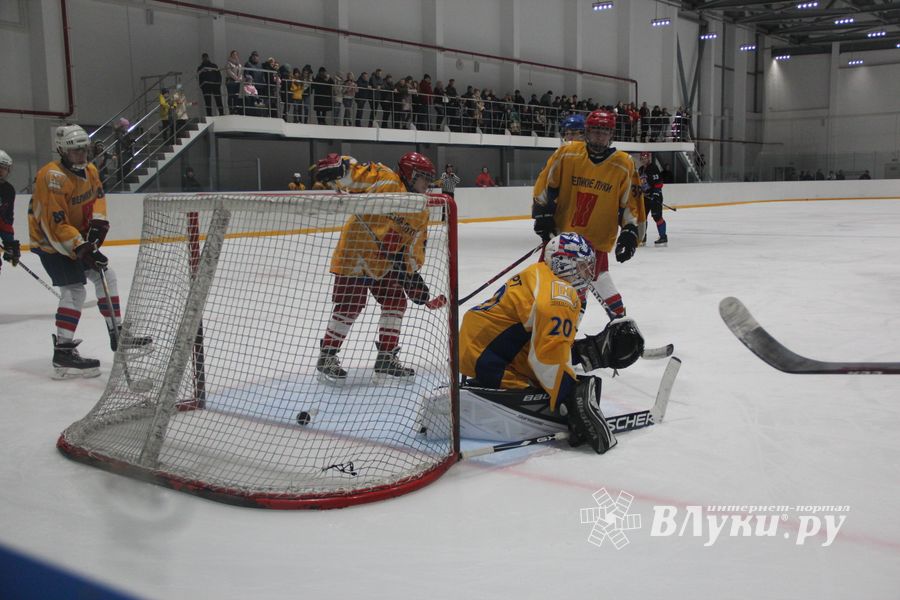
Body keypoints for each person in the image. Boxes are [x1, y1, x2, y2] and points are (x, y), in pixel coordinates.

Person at [459, 232, 645, 453]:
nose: (588, 274)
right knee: (551, 388)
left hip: (483, 342)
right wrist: (571, 396)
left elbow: (544, 340)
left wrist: (588, 351)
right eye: (583, 267)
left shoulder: (540, 272)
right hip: (488, 357)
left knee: (554, 361)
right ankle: (493, 383)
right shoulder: (560, 295)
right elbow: (546, 358)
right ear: (564, 263)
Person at [28, 125, 151, 379]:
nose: (81, 156)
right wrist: (82, 247)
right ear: (62, 151)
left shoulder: (90, 170)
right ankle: (62, 352)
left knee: (107, 274)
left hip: (75, 238)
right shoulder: (51, 177)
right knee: (74, 289)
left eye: (84, 150)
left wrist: (97, 226)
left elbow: (98, 199)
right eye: (75, 152)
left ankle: (118, 334)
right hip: (50, 243)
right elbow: (54, 224)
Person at [313, 151, 445, 382]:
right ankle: (327, 356)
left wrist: (412, 276)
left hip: (383, 264)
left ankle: (386, 357)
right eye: (423, 177)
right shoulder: (386, 179)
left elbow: (413, 246)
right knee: (351, 305)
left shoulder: (420, 208)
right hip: (354, 256)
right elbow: (356, 175)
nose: (427, 184)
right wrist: (340, 168)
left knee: (396, 301)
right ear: (409, 174)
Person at [532, 109, 645, 319]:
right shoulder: (568, 154)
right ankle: (553, 332)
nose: (599, 136)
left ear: (611, 134)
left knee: (587, 285)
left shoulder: (623, 164)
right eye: (595, 131)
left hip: (596, 241)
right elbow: (545, 185)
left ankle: (573, 333)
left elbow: (630, 204)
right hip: (562, 240)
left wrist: (630, 233)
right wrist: (542, 216)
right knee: (546, 287)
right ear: (587, 131)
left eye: (604, 131)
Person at [639, 152, 667, 247]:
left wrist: (656, 192)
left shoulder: (653, 168)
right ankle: (642, 237)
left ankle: (663, 237)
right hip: (645, 197)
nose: (644, 159)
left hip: (655, 196)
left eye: (645, 157)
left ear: (649, 158)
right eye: (642, 157)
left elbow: (659, 181)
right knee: (642, 217)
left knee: (657, 216)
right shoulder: (641, 170)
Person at [0, 150, 20, 275]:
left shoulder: (8, 190)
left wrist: (9, 243)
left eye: (4, 168)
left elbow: (6, 218)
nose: (1, 171)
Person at [197, 52, 224, 117]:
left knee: (218, 100)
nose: (205, 58)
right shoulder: (200, 68)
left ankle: (221, 113)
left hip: (215, 85)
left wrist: (219, 83)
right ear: (202, 58)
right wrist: (201, 86)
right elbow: (199, 77)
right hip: (206, 86)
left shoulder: (214, 66)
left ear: (208, 58)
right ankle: (209, 115)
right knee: (207, 101)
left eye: (206, 57)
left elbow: (218, 75)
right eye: (204, 57)